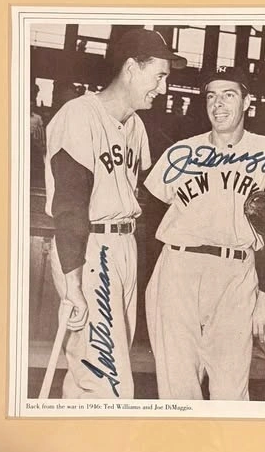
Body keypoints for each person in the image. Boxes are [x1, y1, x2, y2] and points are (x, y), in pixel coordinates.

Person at [144, 67, 265, 400]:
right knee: (176, 387)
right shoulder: (181, 152)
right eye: (211, 96)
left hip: (236, 271)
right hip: (178, 268)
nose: (218, 104)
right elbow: (151, 216)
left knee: (230, 389)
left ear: (247, 102)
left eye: (229, 95)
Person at [44, 28, 185, 399]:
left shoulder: (135, 125)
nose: (163, 88)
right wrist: (74, 284)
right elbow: (69, 207)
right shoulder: (79, 115)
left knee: (96, 372)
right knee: (107, 377)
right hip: (90, 248)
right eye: (159, 76)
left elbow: (139, 195)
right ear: (131, 68)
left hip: (123, 245)